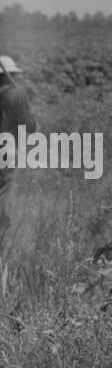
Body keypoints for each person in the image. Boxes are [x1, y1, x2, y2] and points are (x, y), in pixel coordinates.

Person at [0, 55, 36, 252]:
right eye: (13, 74)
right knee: (4, 191)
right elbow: (29, 125)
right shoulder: (14, 96)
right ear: (8, 76)